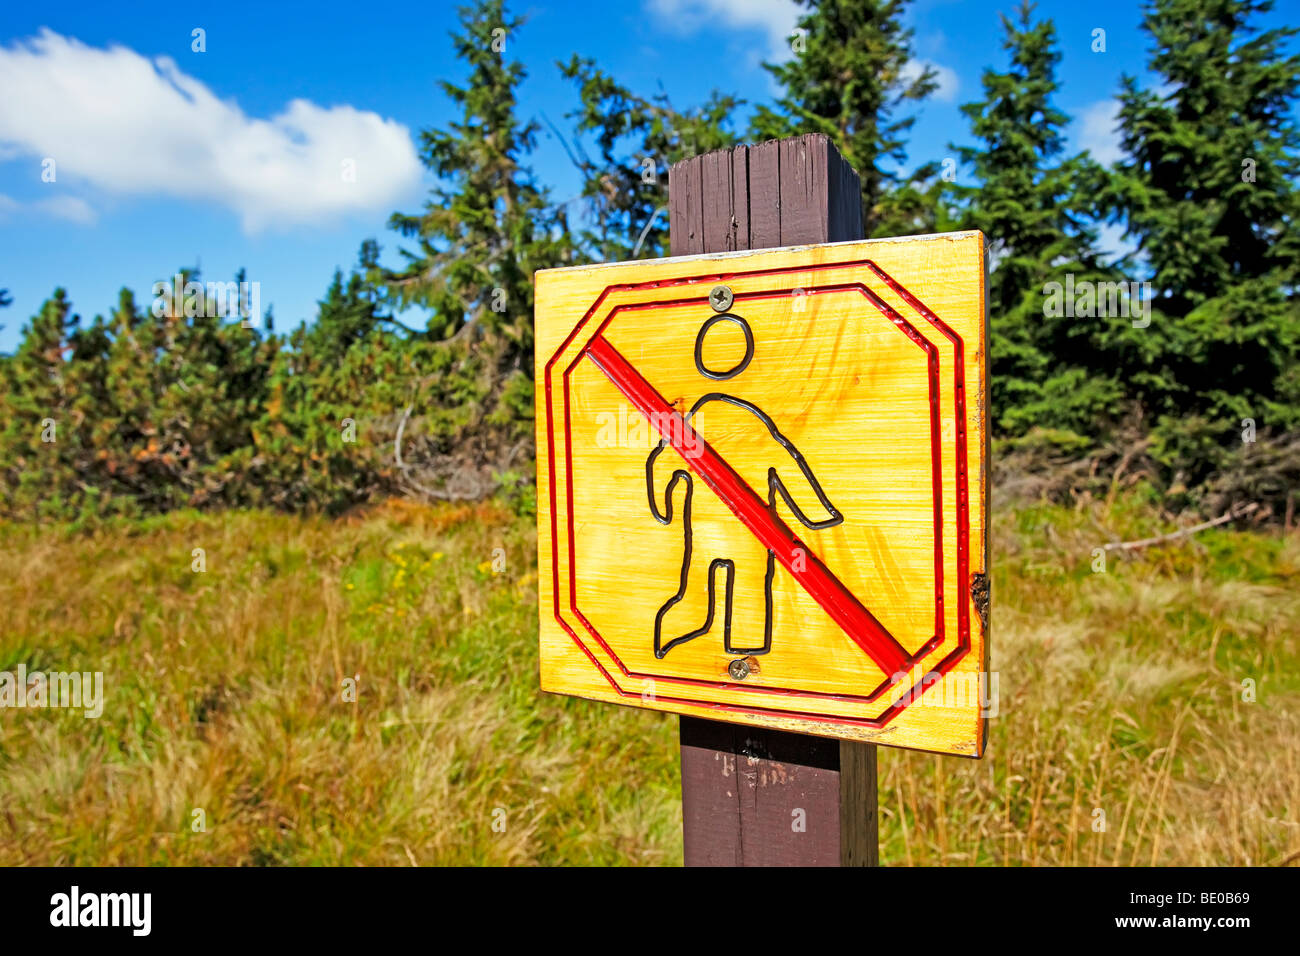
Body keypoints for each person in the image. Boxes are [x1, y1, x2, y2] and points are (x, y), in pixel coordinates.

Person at [645, 312, 842, 661]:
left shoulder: (696, 420)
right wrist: (817, 514)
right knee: (745, 586)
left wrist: (665, 505)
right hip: (750, 535)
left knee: (705, 585)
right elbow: (788, 465)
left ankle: (717, 636)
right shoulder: (748, 424)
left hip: (711, 532)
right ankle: (745, 642)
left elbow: (663, 463)